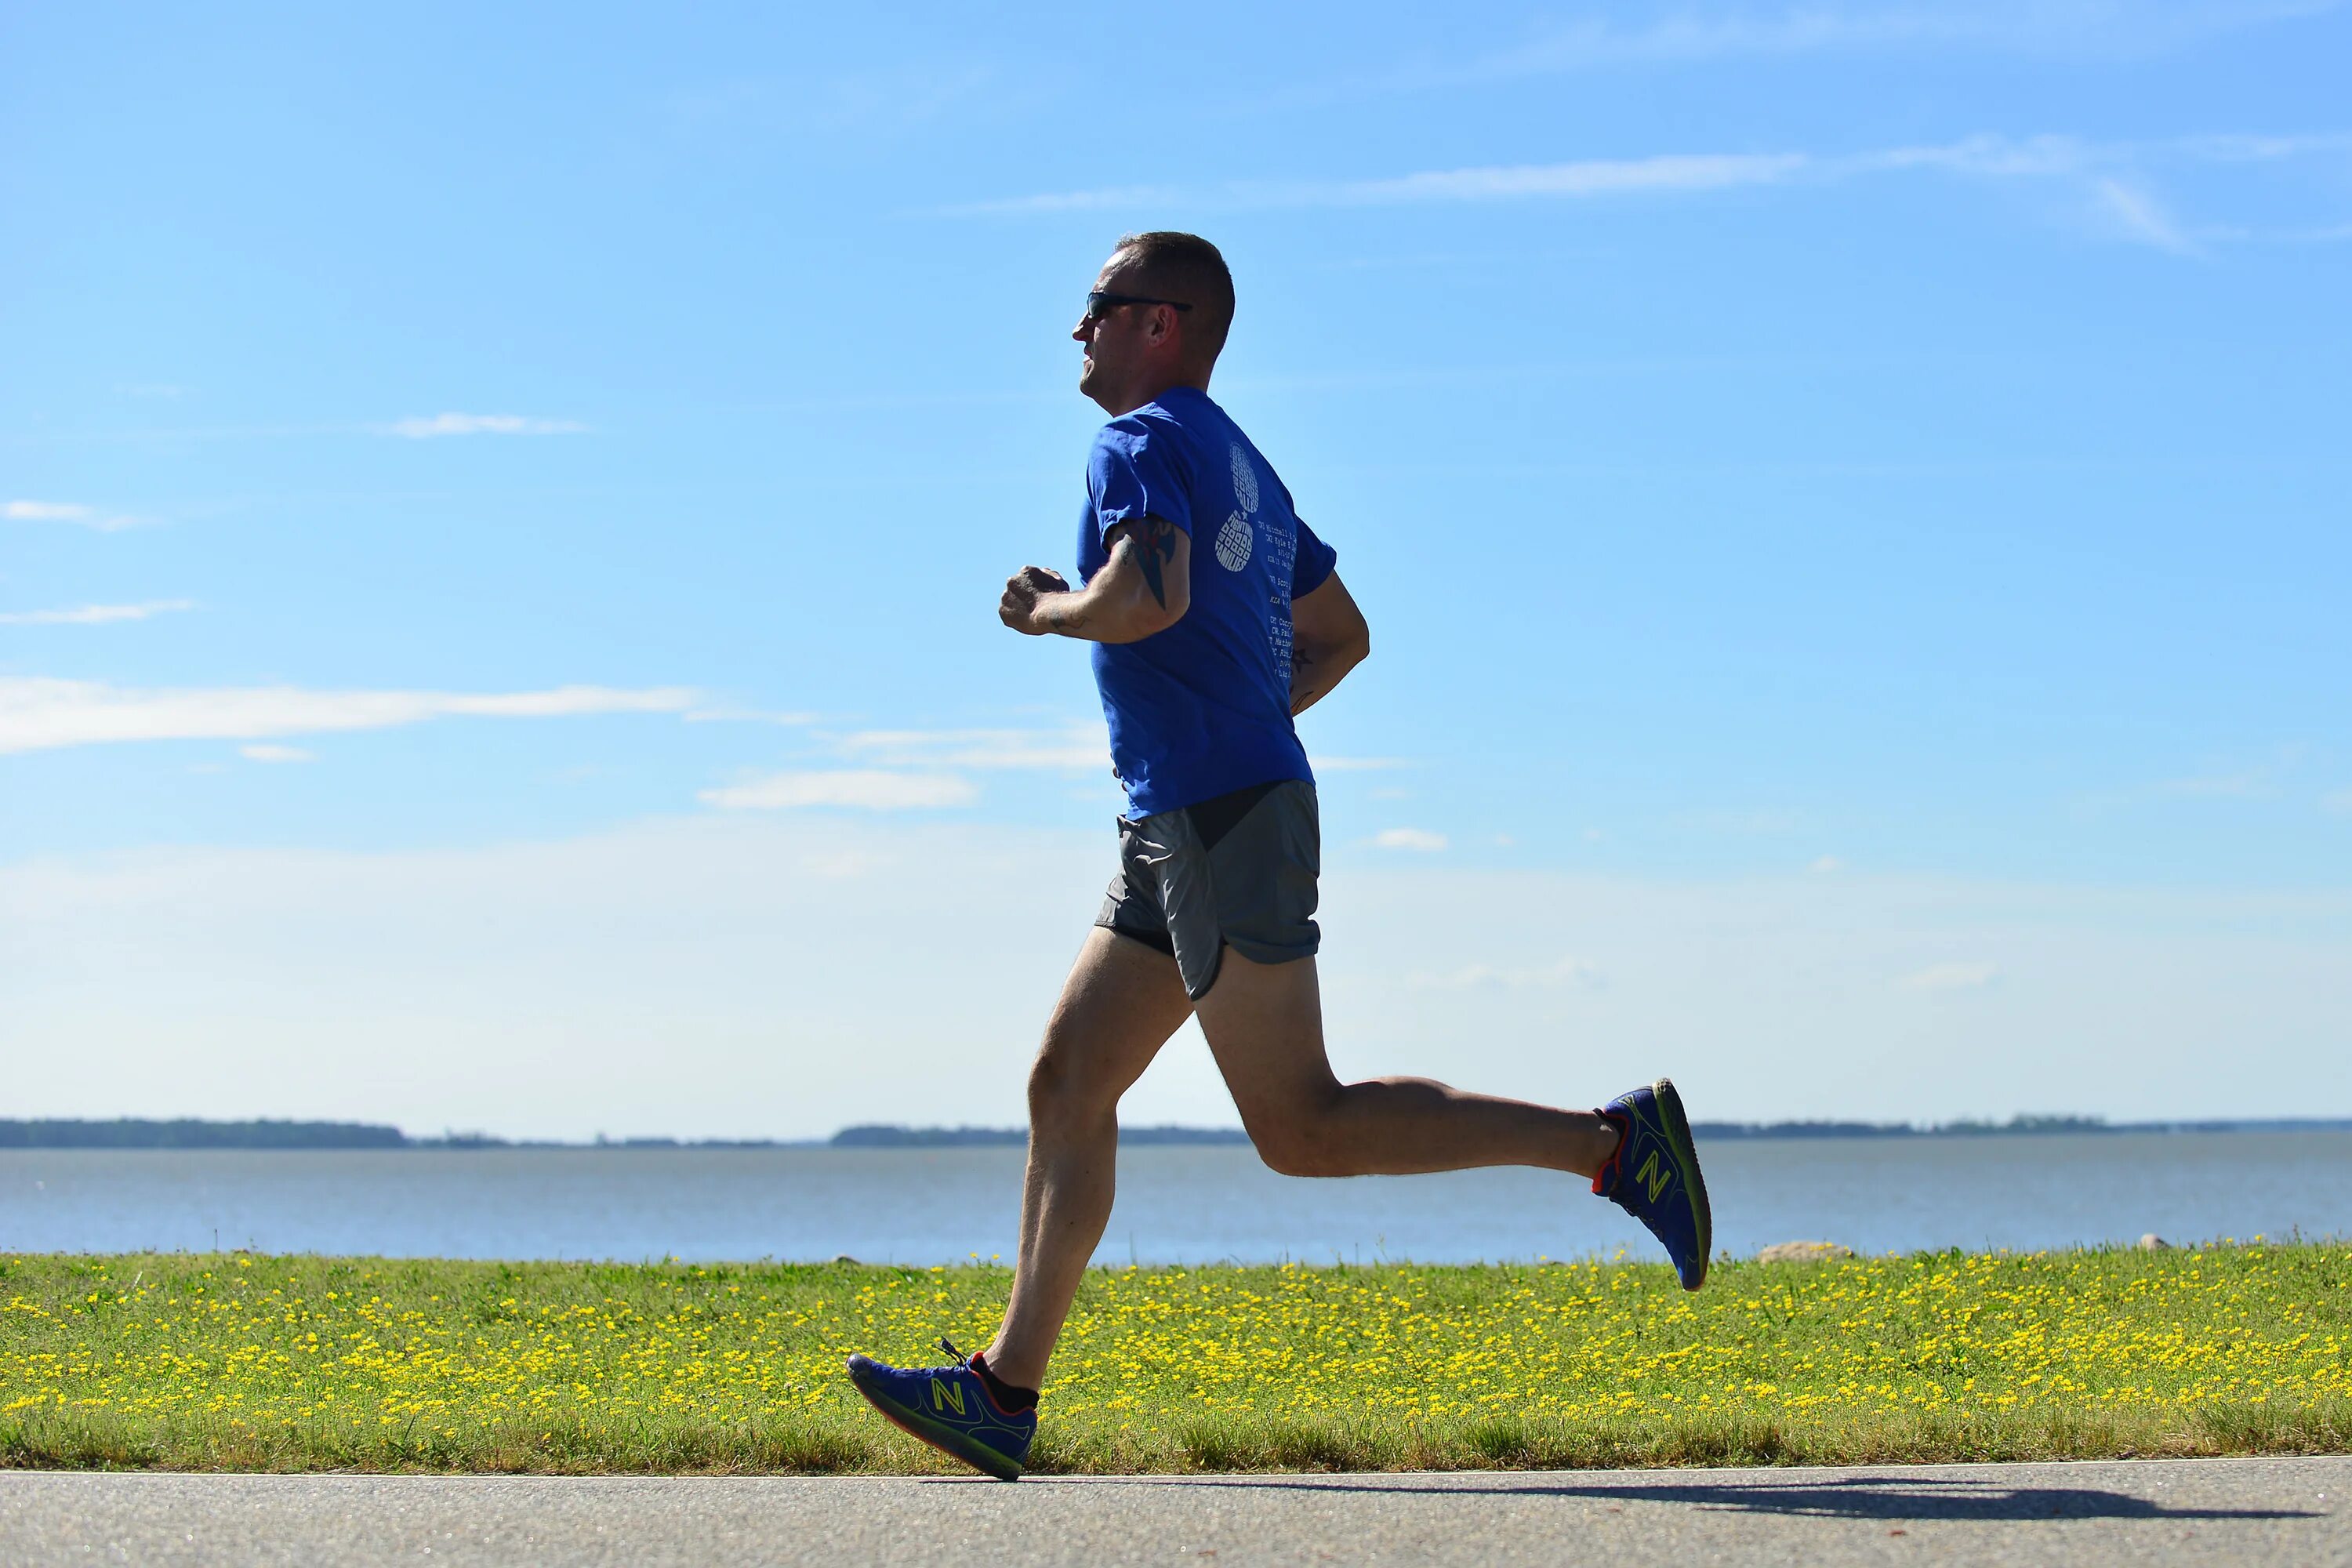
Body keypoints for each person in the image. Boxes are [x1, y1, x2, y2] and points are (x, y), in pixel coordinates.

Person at [847, 232, 1711, 1481]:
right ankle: (1002, 1394)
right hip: (1181, 817)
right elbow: (1342, 636)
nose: (1077, 330)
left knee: (1301, 1126)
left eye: (1097, 307)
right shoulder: (1244, 463)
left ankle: (1612, 1145)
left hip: (1214, 814)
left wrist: (1047, 610)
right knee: (1067, 1082)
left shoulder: (1140, 442)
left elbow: (1144, 594)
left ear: (1165, 323)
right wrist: (1239, 714)